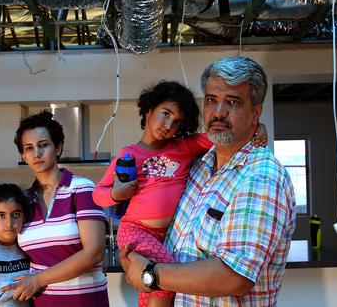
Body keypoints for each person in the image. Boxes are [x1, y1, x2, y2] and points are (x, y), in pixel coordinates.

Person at [119, 56, 297, 306]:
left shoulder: (261, 177)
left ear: (256, 112)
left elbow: (235, 276)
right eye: (212, 100)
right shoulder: (198, 166)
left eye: (232, 102)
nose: (218, 113)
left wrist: (151, 274)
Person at [94, 80, 267, 307]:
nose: (168, 125)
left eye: (176, 122)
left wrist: (256, 127)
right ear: (148, 110)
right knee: (165, 276)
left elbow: (223, 136)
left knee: (151, 285)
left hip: (165, 236)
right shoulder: (128, 156)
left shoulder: (184, 147)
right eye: (165, 114)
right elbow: (98, 195)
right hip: (135, 231)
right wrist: (117, 193)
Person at [0, 111, 109, 306]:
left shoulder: (81, 188)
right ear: (23, 155)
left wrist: (37, 280)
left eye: (43, 145)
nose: (36, 153)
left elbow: (94, 253)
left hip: (85, 301)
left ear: (58, 147)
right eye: (29, 148)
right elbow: (5, 238)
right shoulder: (25, 201)